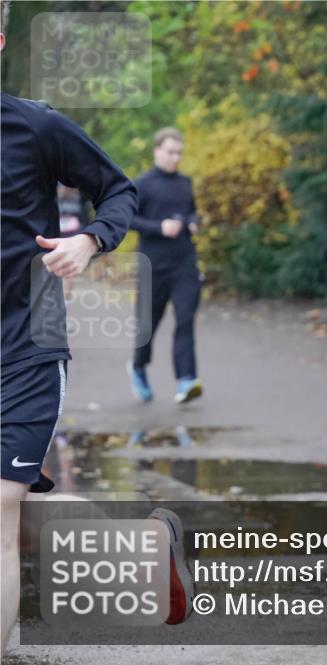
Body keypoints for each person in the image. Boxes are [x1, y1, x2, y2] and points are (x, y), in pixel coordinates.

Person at [0, 4, 192, 652]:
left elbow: (119, 190)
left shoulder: (35, 127)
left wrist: (88, 241)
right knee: (15, 508)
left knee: (1, 501)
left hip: (27, 339)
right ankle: (144, 550)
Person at [127, 127, 204, 404]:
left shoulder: (185, 182)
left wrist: (194, 221)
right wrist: (159, 227)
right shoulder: (142, 184)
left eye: (179, 153)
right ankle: (137, 367)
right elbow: (129, 219)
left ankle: (187, 380)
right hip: (153, 266)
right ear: (157, 150)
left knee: (185, 321)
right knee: (147, 325)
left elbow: (191, 209)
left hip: (184, 262)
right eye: (171, 152)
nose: (175, 158)